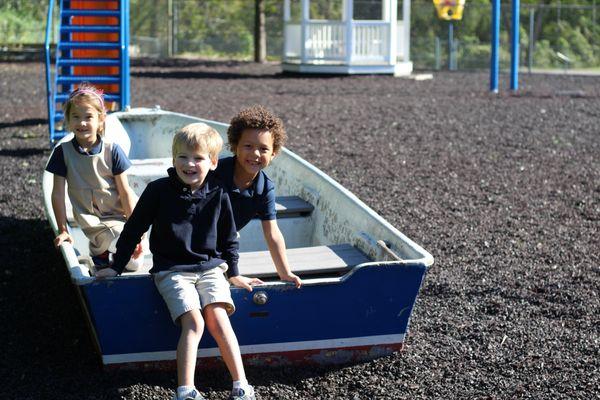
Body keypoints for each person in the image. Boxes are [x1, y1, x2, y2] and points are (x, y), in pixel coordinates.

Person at [95, 123, 260, 400]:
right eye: (182, 156)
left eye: (198, 158)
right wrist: (116, 266)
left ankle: (241, 385)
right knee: (194, 322)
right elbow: (134, 228)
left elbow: (229, 238)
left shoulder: (219, 193)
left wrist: (234, 273)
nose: (189, 163)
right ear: (173, 160)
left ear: (213, 161)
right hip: (172, 270)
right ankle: (185, 390)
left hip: (210, 267)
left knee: (219, 319)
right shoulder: (158, 191)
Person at [46, 83, 143, 271]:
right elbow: (57, 194)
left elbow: (125, 192)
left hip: (118, 213)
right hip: (90, 216)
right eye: (76, 117)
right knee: (117, 240)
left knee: (133, 261)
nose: (82, 123)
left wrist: (135, 229)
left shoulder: (112, 150)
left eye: (88, 117)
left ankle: (104, 252)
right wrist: (63, 230)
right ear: (68, 119)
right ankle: (102, 251)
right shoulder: (63, 153)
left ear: (100, 120)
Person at [212, 105, 302, 288]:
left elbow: (272, 233)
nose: (255, 154)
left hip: (221, 245)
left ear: (273, 154)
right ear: (235, 146)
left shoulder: (265, 188)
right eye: (248, 146)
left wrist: (285, 273)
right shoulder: (214, 173)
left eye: (263, 149)